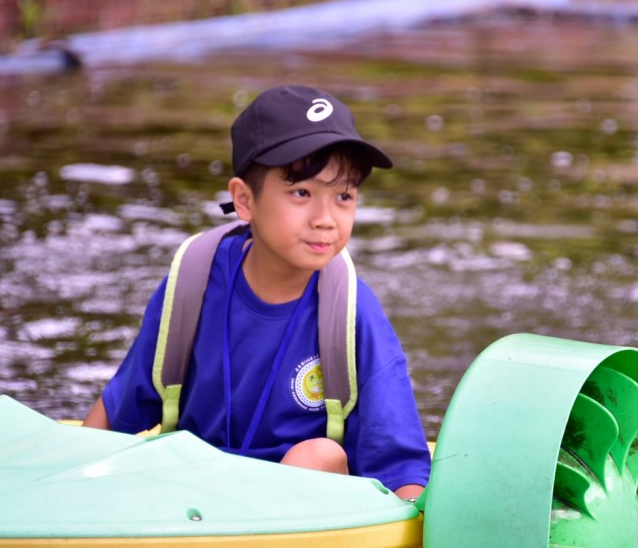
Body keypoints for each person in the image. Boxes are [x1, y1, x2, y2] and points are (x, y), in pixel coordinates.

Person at [83, 85, 430, 500]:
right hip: (193, 502)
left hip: (294, 520)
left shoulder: (350, 311)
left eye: (344, 196)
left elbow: (401, 468)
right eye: (301, 193)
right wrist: (73, 486)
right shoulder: (192, 282)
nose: (325, 219)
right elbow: (116, 414)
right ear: (244, 200)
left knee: (318, 454)